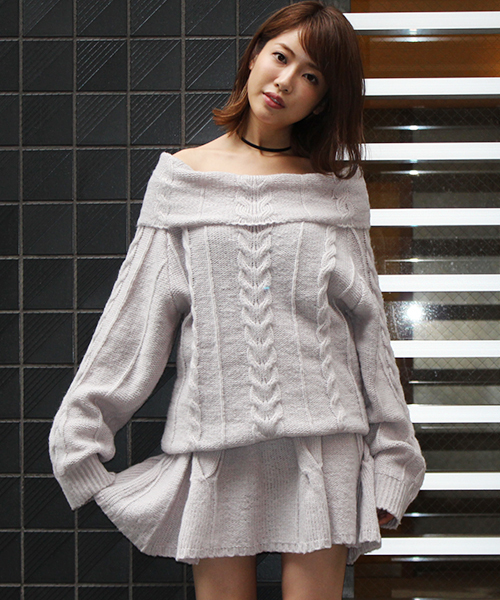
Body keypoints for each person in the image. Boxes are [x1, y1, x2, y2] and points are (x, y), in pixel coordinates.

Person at [49, 2, 426, 599]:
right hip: (214, 445)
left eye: (311, 76)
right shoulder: (181, 179)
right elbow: (135, 319)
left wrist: (394, 462)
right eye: (281, 57)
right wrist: (79, 438)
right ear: (254, 57)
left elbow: (368, 334)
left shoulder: (336, 188)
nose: (286, 81)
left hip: (323, 445)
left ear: (323, 99)